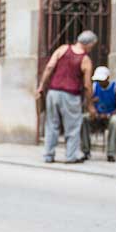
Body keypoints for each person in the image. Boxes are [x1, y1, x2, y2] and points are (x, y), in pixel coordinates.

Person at [36, 31, 96, 163]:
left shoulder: (62, 49)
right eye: (92, 45)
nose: (92, 48)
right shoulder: (85, 59)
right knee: (73, 127)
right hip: (71, 95)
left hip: (53, 92)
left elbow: (49, 67)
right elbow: (87, 85)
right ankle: (71, 156)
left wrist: (41, 85)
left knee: (51, 124)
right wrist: (90, 104)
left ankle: (48, 155)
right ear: (88, 44)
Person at [81, 65, 116, 162]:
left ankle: (111, 153)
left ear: (108, 78)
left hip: (110, 116)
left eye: (102, 80)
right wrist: (92, 107)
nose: (100, 82)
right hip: (97, 116)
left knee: (115, 120)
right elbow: (87, 103)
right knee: (84, 118)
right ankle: (86, 151)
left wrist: (108, 115)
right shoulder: (94, 86)